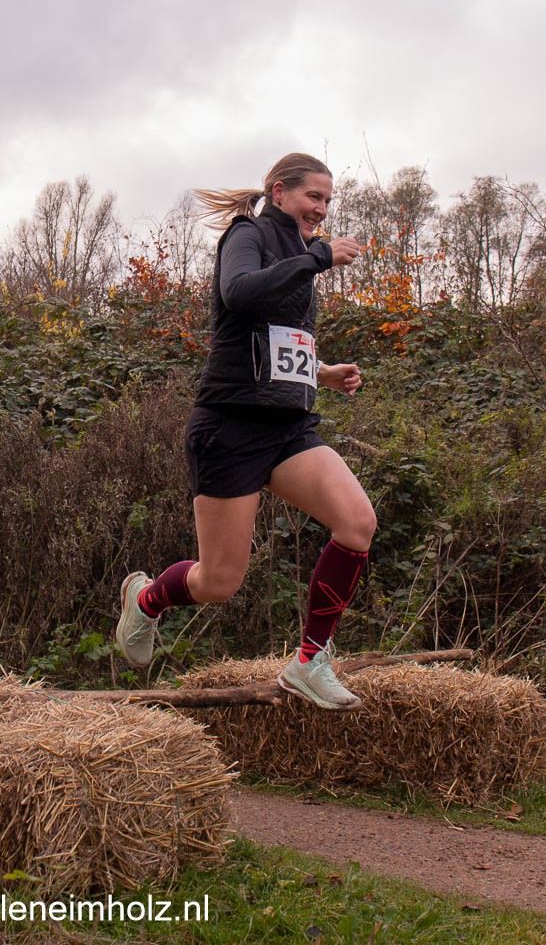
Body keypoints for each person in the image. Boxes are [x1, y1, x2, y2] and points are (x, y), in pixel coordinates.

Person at [116, 152, 377, 710]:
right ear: (280, 191)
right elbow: (238, 293)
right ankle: (146, 602)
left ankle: (310, 662)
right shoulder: (248, 234)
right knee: (219, 582)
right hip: (230, 427)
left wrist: (322, 372)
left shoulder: (301, 253)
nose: (321, 209)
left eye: (328, 201)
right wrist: (319, 258)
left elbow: (273, 343)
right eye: (313, 196)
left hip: (288, 429)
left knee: (357, 522)